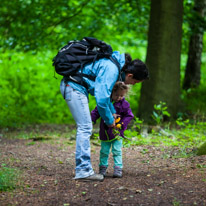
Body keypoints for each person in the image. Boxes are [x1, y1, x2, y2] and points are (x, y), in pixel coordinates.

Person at [60, 51, 149, 181]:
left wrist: (111, 112)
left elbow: (105, 96)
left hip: (74, 87)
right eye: (134, 82)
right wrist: (109, 120)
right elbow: (101, 100)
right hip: (74, 88)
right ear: (130, 75)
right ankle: (83, 171)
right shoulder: (112, 70)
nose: (131, 85)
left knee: (85, 127)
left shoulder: (114, 67)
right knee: (85, 127)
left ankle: (83, 169)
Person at [91, 81, 134, 178]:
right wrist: (90, 120)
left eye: (121, 96)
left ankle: (118, 168)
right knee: (104, 151)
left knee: (117, 150)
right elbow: (96, 111)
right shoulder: (105, 103)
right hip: (105, 132)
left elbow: (129, 115)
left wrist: (122, 124)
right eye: (117, 95)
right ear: (111, 92)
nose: (119, 97)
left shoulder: (124, 104)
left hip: (117, 133)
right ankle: (102, 168)